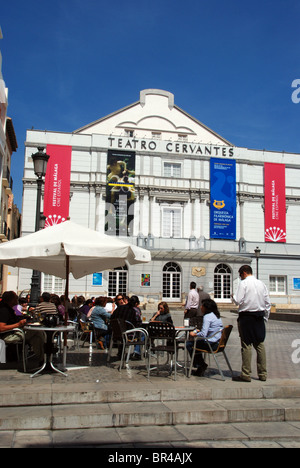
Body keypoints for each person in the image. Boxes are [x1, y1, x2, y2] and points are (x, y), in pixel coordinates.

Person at [232, 265, 271, 382]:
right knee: (260, 345)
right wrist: (265, 317)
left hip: (246, 316)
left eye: (240, 275)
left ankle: (246, 373)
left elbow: (238, 300)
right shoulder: (261, 284)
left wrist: (233, 298)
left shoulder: (243, 284)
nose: (240, 277)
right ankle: (263, 373)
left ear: (244, 273)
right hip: (259, 316)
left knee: (246, 345)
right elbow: (268, 303)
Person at [0, 291, 44, 366]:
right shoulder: (4, 310)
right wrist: (18, 324)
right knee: (37, 332)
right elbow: (1, 328)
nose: (17, 299)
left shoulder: (10, 308)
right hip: (8, 336)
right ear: (11, 300)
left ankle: (43, 360)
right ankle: (45, 359)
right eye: (16, 298)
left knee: (36, 338)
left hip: (15, 332)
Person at [186, 298, 223, 377]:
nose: (200, 307)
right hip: (219, 343)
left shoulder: (207, 317)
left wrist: (194, 334)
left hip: (211, 344)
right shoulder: (217, 316)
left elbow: (203, 334)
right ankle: (200, 365)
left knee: (189, 344)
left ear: (206, 307)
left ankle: (200, 365)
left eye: (202, 306)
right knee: (195, 344)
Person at [111, 295, 143, 360]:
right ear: (136, 304)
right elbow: (138, 323)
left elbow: (112, 318)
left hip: (115, 333)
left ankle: (120, 352)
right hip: (128, 335)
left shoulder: (119, 308)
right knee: (142, 333)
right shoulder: (134, 311)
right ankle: (137, 353)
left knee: (123, 331)